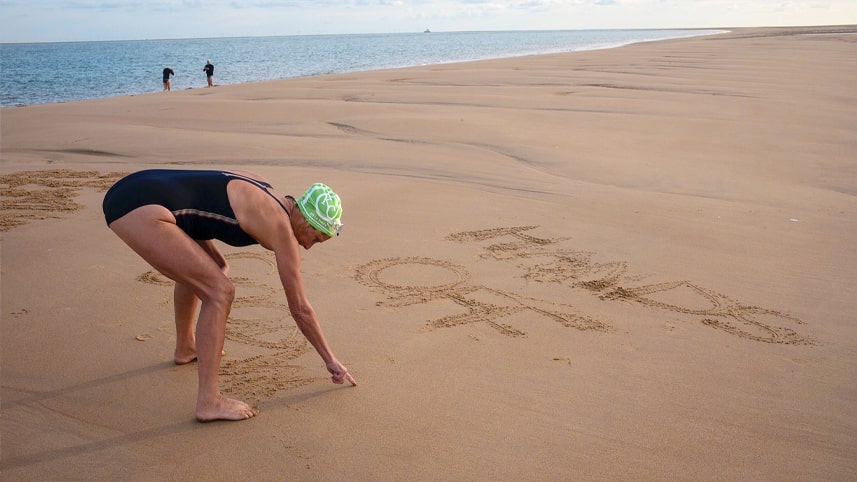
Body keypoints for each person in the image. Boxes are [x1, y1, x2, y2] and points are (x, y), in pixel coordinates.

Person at [102, 169, 356, 422]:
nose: (309, 246)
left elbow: (199, 202)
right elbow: (300, 308)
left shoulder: (267, 191)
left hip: (138, 187)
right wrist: (330, 359)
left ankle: (186, 347)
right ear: (306, 217)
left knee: (214, 268)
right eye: (315, 236)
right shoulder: (281, 227)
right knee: (220, 292)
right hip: (142, 209)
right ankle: (209, 402)